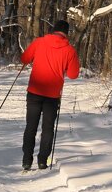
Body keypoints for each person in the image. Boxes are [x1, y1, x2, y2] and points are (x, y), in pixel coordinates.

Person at [20, 20, 80, 170]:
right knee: (48, 128)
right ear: (67, 33)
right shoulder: (70, 50)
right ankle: (42, 160)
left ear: (53, 30)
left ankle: (27, 160)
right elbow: (73, 75)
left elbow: (24, 59)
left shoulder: (39, 42)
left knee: (31, 126)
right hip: (52, 96)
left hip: (34, 91)